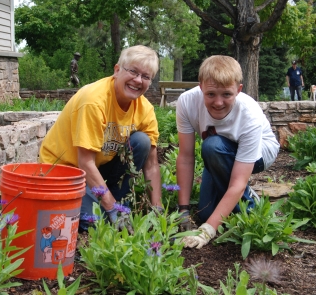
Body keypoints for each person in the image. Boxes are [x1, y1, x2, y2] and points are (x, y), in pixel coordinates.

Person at [39, 45, 162, 232]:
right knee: (97, 223)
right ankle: (110, 209)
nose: (138, 80)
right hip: (64, 172)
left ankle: (114, 205)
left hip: (97, 169)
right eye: (133, 71)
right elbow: (84, 162)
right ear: (117, 70)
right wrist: (111, 207)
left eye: (145, 77)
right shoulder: (94, 101)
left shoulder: (145, 109)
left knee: (142, 142)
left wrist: (157, 209)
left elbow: (152, 165)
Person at [175, 55, 280, 249]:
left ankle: (249, 200)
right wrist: (183, 210)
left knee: (212, 145)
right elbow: (186, 157)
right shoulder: (187, 102)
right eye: (211, 94)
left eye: (227, 94)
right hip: (221, 153)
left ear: (238, 90)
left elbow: (238, 182)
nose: (218, 102)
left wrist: (207, 231)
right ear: (201, 87)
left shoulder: (249, 115)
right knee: (206, 213)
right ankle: (235, 203)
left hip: (261, 152)